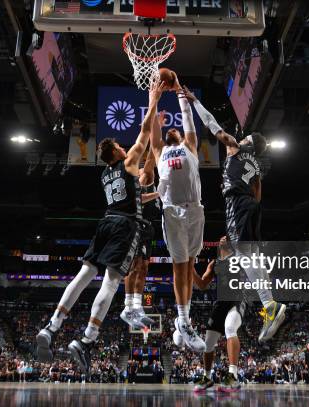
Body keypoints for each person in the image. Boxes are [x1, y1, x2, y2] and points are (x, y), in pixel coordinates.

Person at [35, 81, 167, 374]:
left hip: (106, 221)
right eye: (120, 146)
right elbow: (144, 132)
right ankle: (87, 339)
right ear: (118, 153)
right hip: (125, 227)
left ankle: (51, 326)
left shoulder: (106, 174)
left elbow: (133, 197)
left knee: (84, 274)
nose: (124, 146)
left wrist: (156, 194)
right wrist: (154, 99)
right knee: (110, 282)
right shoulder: (129, 161)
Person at [182, 87, 286, 343]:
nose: (241, 137)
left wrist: (195, 101)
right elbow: (258, 190)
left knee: (243, 255)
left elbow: (212, 124)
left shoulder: (235, 148)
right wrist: (248, 200)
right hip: (251, 206)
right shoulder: (256, 163)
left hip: (238, 205)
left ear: (248, 142)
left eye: (245, 136)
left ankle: (270, 305)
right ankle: (270, 305)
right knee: (252, 257)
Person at [148, 72, 205, 352]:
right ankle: (183, 321)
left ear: (181, 136)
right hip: (171, 213)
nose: (173, 129)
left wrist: (179, 86)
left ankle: (185, 320)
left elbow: (188, 116)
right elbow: (152, 136)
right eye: (168, 130)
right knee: (179, 268)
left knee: (190, 267)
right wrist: (155, 101)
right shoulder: (159, 152)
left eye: (176, 129)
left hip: (195, 211)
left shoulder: (189, 146)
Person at [120, 122, 163, 329]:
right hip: (136, 226)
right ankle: (128, 306)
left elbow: (152, 160)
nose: (148, 170)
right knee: (133, 267)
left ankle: (137, 306)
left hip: (149, 227)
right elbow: (151, 159)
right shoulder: (142, 179)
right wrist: (155, 128)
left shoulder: (150, 177)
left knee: (144, 268)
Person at [192, 236, 245, 393]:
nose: (223, 238)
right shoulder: (214, 263)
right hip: (220, 303)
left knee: (230, 328)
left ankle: (233, 376)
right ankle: (207, 377)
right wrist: (190, 269)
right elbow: (202, 285)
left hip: (237, 300)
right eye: (221, 237)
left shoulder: (239, 258)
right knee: (208, 343)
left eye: (227, 237)